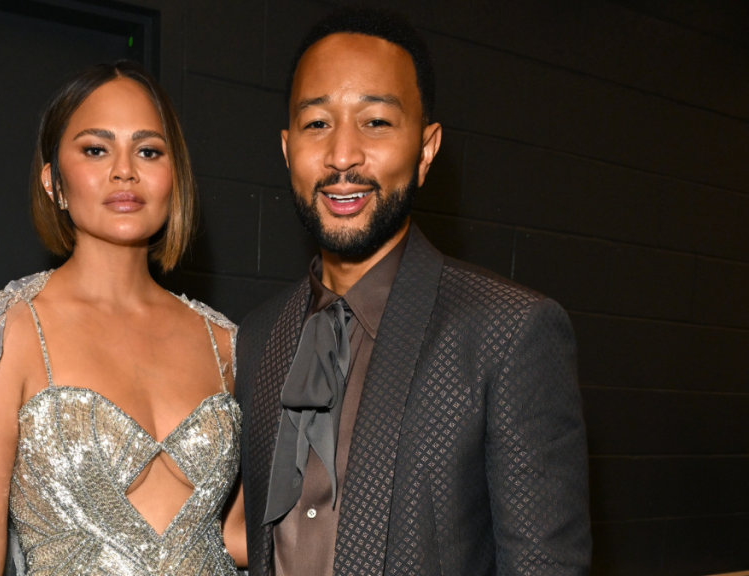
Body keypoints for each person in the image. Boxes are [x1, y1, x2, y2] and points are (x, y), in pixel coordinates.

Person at [234, 7, 591, 576]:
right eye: (317, 123)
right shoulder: (258, 336)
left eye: (375, 122)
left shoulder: (508, 333)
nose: (343, 155)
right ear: (286, 150)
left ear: (426, 151)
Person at [0, 61, 247, 576]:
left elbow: (239, 537)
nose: (125, 171)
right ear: (54, 182)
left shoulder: (225, 341)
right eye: (96, 149)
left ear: (173, 178)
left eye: (148, 151)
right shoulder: (7, 328)